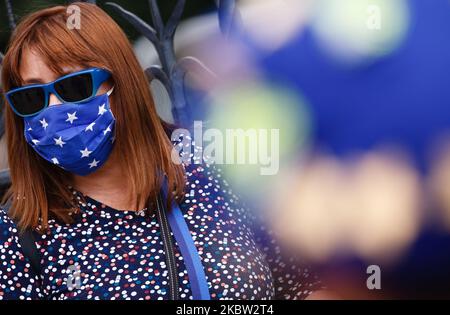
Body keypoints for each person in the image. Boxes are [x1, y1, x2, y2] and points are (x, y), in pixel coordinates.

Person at [0, 3, 324, 300]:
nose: (54, 108)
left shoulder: (214, 172)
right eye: (32, 98)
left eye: (74, 86)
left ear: (121, 83)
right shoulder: (20, 233)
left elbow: (306, 284)